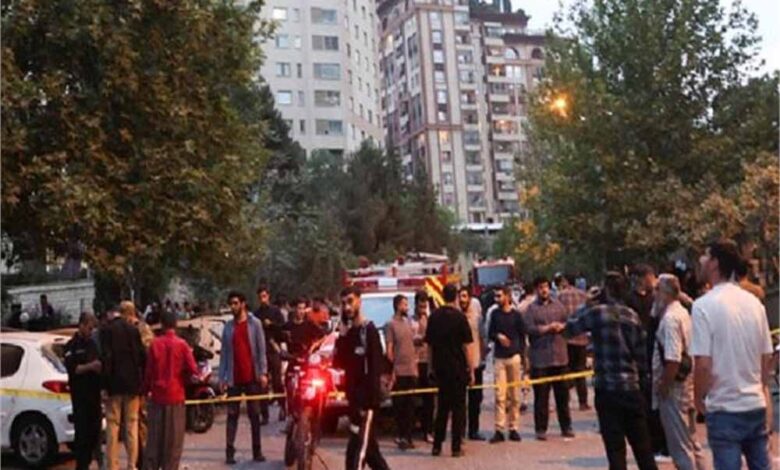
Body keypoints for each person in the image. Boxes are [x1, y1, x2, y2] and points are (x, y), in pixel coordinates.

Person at [691, 239, 773, 470]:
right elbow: (765, 357)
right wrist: (760, 387)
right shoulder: (754, 304)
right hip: (754, 402)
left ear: (715, 263)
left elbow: (703, 364)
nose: (701, 260)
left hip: (724, 406)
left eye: (705, 256)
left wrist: (699, 399)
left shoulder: (703, 306)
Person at [565, 272, 657, 470]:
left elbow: (569, 328)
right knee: (643, 448)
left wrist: (587, 304)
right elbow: (641, 357)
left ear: (605, 290)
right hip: (631, 388)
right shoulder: (632, 316)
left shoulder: (597, 313)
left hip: (607, 389)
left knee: (615, 450)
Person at [652, 274, 706, 470]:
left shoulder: (670, 319)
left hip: (675, 388)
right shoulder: (683, 313)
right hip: (687, 384)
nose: (654, 295)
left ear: (664, 293)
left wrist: (663, 386)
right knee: (692, 441)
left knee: (680, 447)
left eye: (657, 290)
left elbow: (673, 358)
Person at [333, 286, 390, 470]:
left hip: (367, 404)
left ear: (359, 301)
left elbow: (376, 368)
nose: (347, 307)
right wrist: (341, 336)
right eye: (343, 304)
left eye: (350, 302)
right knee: (370, 453)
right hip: (353, 401)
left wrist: (369, 404)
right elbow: (338, 362)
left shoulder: (369, 330)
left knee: (358, 455)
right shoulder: (349, 333)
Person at [142, 310, 198, 470]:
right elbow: (193, 370)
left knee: (154, 442)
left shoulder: (154, 345)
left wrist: (145, 391)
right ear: (175, 324)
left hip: (157, 398)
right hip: (176, 397)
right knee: (173, 445)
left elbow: (148, 373)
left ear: (161, 324)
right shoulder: (182, 345)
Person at [218, 291, 268, 465]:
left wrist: (263, 373)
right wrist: (222, 377)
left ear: (243, 304)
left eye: (235, 303)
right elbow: (224, 354)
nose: (233, 307)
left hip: (252, 377)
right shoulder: (228, 327)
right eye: (231, 304)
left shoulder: (255, 324)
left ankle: (257, 450)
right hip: (234, 378)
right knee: (232, 416)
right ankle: (229, 452)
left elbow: (261, 350)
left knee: (255, 415)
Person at [425, 283, 474, 457]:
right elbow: (466, 346)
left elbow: (429, 346)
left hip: (441, 369)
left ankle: (437, 446)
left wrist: (430, 367)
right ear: (455, 297)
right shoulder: (460, 318)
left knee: (442, 409)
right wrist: (471, 370)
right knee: (458, 409)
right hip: (458, 369)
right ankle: (456, 447)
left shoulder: (434, 317)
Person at [524, 276, 573, 440]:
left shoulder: (559, 306)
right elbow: (528, 329)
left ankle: (566, 427)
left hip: (560, 357)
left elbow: (569, 323)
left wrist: (561, 326)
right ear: (536, 290)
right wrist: (546, 328)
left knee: (562, 397)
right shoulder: (531, 309)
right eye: (540, 287)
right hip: (540, 359)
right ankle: (540, 429)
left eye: (546, 287)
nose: (544, 290)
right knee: (541, 398)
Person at [628, 264, 667, 461]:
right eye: (651, 277)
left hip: (657, 353)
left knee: (658, 403)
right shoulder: (631, 300)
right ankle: (653, 443)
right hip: (640, 355)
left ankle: (662, 444)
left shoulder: (657, 299)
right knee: (647, 403)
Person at [101, 300, 146, 470]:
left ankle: (113, 465)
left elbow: (106, 359)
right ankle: (132, 465)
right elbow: (142, 357)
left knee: (113, 426)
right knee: (132, 425)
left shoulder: (107, 331)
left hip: (114, 385)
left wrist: (104, 385)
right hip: (132, 385)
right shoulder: (134, 330)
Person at [486, 285, 525, 443]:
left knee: (515, 395)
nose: (497, 299)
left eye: (499, 296)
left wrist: (522, 356)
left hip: (514, 357)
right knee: (500, 395)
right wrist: (498, 336)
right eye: (496, 296)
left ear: (508, 297)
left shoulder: (516, 315)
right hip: (499, 358)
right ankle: (499, 429)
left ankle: (514, 427)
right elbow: (490, 333)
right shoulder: (495, 314)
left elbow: (522, 336)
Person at [64, 312, 102, 470]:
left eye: (92, 329)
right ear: (81, 325)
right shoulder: (72, 346)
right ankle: (82, 466)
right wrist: (91, 366)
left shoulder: (92, 344)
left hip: (94, 396)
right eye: (89, 328)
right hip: (80, 396)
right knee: (82, 435)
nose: (90, 331)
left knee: (95, 432)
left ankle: (90, 460)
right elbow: (74, 369)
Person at [386, 294, 418, 450]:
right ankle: (400, 436)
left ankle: (409, 437)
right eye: (405, 304)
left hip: (411, 370)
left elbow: (413, 344)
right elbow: (389, 350)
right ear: (398, 306)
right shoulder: (391, 325)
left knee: (410, 406)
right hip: (399, 372)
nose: (407, 307)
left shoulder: (409, 323)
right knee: (399, 406)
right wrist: (392, 370)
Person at [555, 274, 590, 410]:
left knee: (566, 370)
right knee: (580, 370)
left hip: (566, 338)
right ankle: (583, 402)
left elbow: (558, 314)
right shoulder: (584, 295)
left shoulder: (560, 296)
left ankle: (565, 400)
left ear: (565, 281)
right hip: (582, 338)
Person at [254, 285, 286, 424]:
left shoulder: (275, 311)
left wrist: (272, 324)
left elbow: (283, 329)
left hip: (273, 350)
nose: (263, 299)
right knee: (262, 385)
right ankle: (264, 415)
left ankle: (283, 408)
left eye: (264, 296)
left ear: (268, 296)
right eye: (260, 297)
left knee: (278, 382)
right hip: (261, 352)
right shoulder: (256, 314)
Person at [458, 286, 487, 441]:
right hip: (459, 365)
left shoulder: (476, 313)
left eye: (464, 296)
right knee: (460, 401)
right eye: (460, 296)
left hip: (476, 362)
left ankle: (474, 430)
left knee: (476, 399)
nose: (462, 300)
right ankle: (460, 431)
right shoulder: (455, 314)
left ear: (469, 297)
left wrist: (483, 357)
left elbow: (482, 337)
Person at [410, 290, 434, 443]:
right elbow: (409, 339)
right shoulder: (409, 321)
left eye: (425, 306)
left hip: (428, 362)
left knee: (429, 399)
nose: (422, 309)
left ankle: (428, 430)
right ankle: (409, 432)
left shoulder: (431, 319)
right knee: (411, 399)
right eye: (420, 306)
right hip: (413, 362)